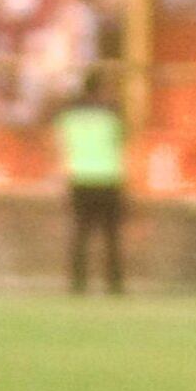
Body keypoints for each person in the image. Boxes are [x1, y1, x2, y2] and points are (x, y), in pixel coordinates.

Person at [58, 83, 128, 293]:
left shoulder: (69, 118)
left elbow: (60, 144)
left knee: (81, 234)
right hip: (109, 177)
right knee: (111, 236)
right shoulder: (112, 118)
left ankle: (78, 284)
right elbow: (124, 142)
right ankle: (114, 285)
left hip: (79, 177)